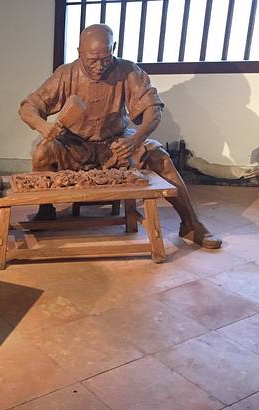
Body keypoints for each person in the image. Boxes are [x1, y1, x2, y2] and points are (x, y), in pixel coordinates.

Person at [19, 24, 221, 249]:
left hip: (115, 143)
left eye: (105, 59)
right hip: (74, 145)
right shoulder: (65, 74)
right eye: (92, 61)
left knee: (159, 156)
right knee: (42, 152)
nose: (99, 67)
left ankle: (191, 224)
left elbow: (154, 110)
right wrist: (43, 126)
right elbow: (29, 106)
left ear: (113, 48)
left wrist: (136, 140)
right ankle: (46, 209)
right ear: (79, 52)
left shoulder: (128, 71)